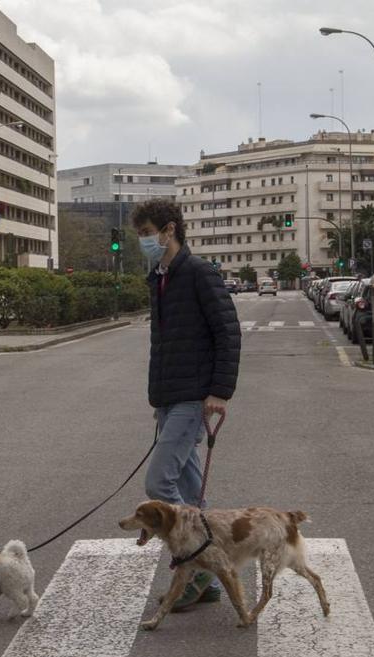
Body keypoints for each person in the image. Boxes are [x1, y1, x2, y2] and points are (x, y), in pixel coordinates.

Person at [133, 198, 241, 611]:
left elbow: (228, 334)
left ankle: (190, 571)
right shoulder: (159, 277)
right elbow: (166, 347)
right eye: (140, 235)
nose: (143, 241)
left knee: (158, 485)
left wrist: (219, 392)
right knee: (192, 496)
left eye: (147, 234)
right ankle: (212, 577)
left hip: (193, 397)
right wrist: (158, 398)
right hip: (170, 399)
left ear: (169, 230)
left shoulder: (198, 273)